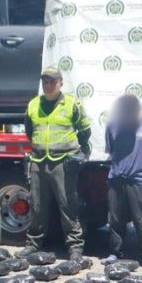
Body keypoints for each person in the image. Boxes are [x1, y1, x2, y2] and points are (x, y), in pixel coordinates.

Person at [23, 67, 92, 260]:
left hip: (63, 162)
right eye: (45, 81)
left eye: (52, 81)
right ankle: (33, 243)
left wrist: (80, 153)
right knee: (37, 205)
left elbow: (85, 131)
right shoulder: (33, 104)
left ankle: (75, 247)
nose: (48, 85)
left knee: (68, 206)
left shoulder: (71, 104)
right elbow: (29, 131)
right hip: (38, 161)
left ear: (60, 83)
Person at [102, 93, 142, 266]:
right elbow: (111, 151)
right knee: (116, 218)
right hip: (116, 178)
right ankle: (115, 253)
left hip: (140, 179)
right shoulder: (112, 124)